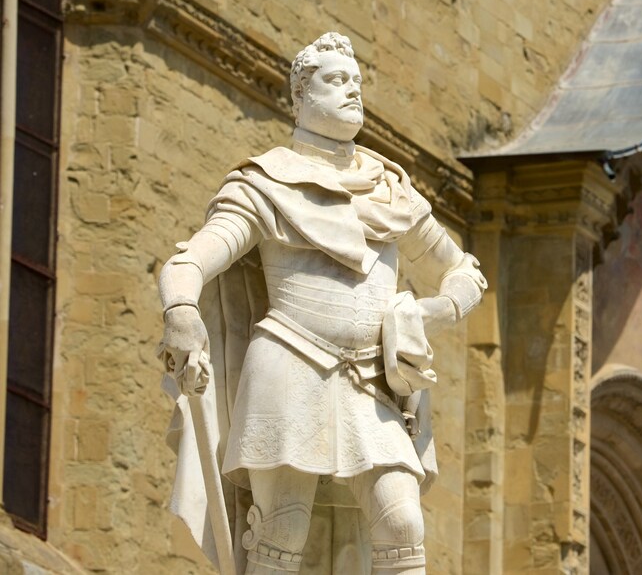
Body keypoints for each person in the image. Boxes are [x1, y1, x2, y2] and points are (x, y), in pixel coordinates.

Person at [157, 32, 485, 575]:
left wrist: (428, 313)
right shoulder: (267, 184)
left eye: (357, 81)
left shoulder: (391, 191)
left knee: (404, 525)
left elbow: (465, 271)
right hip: (289, 364)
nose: (352, 90)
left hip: (372, 381)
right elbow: (188, 263)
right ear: (300, 97)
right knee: (282, 528)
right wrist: (182, 315)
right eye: (336, 80)